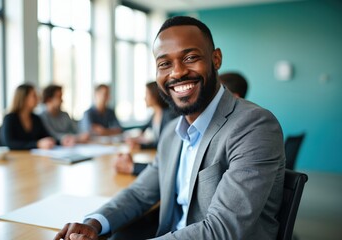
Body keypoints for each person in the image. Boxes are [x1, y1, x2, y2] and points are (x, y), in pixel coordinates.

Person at [54, 16, 285, 240]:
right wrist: (94, 223)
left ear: (216, 59)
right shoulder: (172, 132)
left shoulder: (254, 126)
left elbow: (222, 230)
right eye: (164, 63)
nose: (177, 72)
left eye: (190, 57)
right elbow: (139, 194)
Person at [114, 81, 178, 175]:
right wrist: (133, 139)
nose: (144, 98)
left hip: (165, 159)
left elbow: (163, 143)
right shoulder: (154, 115)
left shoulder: (168, 115)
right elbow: (142, 128)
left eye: (146, 94)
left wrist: (141, 145)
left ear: (154, 95)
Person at [0, 83, 56, 150]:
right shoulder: (10, 118)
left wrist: (57, 141)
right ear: (24, 98)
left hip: (34, 157)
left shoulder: (36, 118)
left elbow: (46, 136)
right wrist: (36, 144)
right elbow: (9, 143)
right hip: (15, 158)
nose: (38, 98)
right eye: (34, 96)